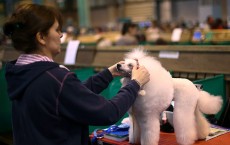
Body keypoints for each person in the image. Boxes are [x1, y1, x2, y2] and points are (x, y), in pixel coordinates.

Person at [3, 4, 150, 145]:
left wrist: (108, 74)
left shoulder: (21, 73)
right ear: (41, 37)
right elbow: (108, 112)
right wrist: (135, 84)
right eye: (56, 30)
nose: (61, 35)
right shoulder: (55, 78)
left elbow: (72, 95)